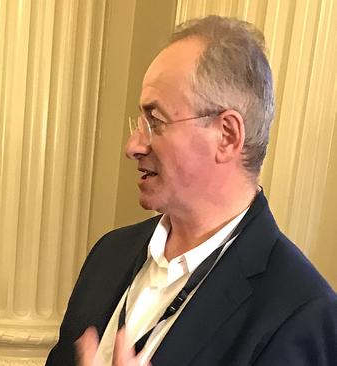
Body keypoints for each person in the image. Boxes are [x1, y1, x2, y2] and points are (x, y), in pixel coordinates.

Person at [46, 15, 337, 366]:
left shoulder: (299, 312)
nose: (134, 145)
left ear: (227, 135)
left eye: (155, 121)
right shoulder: (109, 255)